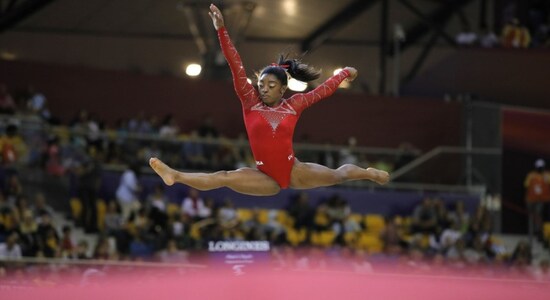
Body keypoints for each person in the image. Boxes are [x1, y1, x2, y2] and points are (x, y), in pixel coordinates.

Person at [149, 4, 389, 197]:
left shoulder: (293, 105)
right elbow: (235, 64)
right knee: (223, 176)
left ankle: (369, 174)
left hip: (294, 171)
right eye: (261, 85)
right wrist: (221, 30)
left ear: (283, 88)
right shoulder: (249, 101)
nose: (264, 89)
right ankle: (174, 175)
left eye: (271, 86)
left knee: (339, 175)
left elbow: (322, 91)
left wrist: (344, 73)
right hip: (264, 176)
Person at [524, 158, 550, 246]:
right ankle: (532, 233)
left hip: (542, 200)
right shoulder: (531, 175)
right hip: (531, 200)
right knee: (532, 216)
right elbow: (526, 186)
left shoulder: (547, 175)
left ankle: (539, 232)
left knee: (538, 214)